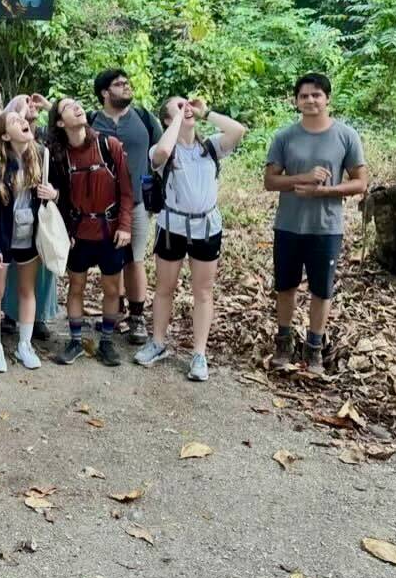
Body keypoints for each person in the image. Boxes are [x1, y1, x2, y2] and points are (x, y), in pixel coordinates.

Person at [133, 97, 247, 381]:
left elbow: (238, 131)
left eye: (188, 105)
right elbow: (160, 151)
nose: (187, 108)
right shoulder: (164, 153)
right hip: (172, 226)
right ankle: (158, 342)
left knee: (203, 292)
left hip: (206, 227)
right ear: (167, 121)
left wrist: (205, 112)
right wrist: (176, 123)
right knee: (165, 288)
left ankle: (199, 354)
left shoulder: (210, 148)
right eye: (178, 106)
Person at [264, 73, 367, 375]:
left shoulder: (346, 136)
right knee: (286, 286)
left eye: (316, 95)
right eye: (304, 96)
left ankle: (314, 350)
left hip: (326, 227)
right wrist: (303, 178)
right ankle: (284, 344)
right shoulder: (285, 137)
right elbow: (270, 181)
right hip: (288, 225)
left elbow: (361, 183)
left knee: (322, 290)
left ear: (327, 99)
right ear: (296, 101)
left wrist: (324, 191)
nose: (310, 100)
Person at [48, 97, 134, 366]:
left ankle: (106, 342)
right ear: (61, 123)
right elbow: (59, 199)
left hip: (110, 232)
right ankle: (75, 341)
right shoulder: (59, 156)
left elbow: (127, 191)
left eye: (77, 103)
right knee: (76, 287)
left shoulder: (110, 146)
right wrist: (66, 230)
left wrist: (125, 225)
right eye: (68, 107)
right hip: (79, 233)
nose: (77, 107)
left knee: (111, 289)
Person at [0, 111, 57, 372]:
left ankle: (25, 344)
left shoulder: (41, 156)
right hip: (3, 240)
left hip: (29, 239)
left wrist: (53, 193)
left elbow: (60, 191)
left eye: (23, 119)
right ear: (3, 135)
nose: (23, 121)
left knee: (27, 291)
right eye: (14, 121)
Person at [90, 69, 162, 343]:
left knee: (135, 259)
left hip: (137, 203)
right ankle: (114, 313)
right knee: (111, 261)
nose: (126, 87)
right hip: (101, 206)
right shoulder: (92, 121)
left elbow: (163, 149)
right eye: (119, 84)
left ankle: (137, 318)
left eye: (127, 83)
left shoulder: (144, 118)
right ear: (105, 93)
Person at [0, 93, 57, 340]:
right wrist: (19, 112)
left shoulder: (43, 148)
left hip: (34, 228)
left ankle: (35, 321)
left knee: (35, 279)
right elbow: (1, 125)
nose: (30, 106)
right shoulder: (0, 156)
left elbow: (64, 121)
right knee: (5, 282)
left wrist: (54, 193)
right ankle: (10, 318)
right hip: (7, 230)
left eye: (32, 104)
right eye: (24, 104)